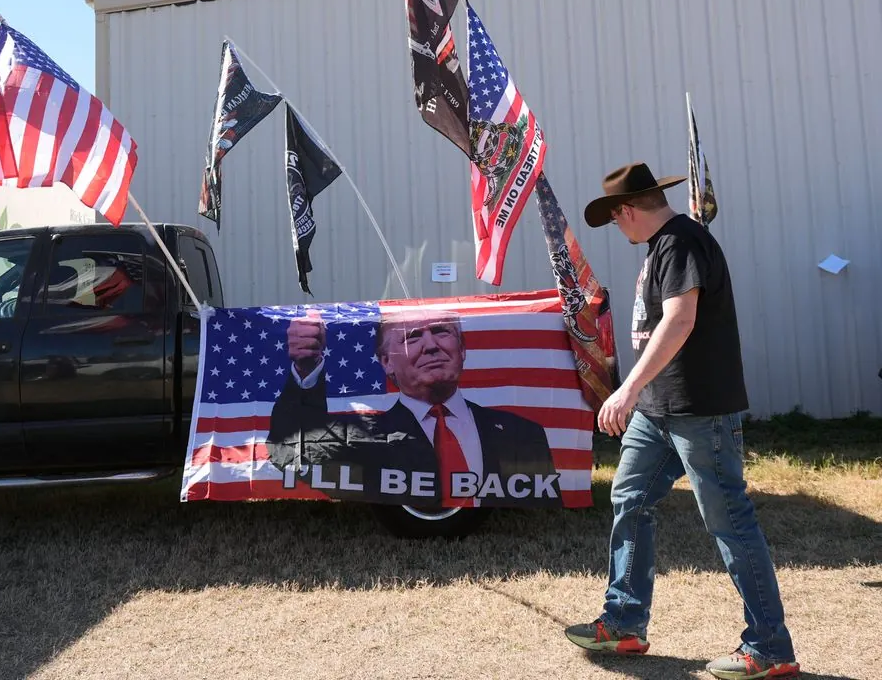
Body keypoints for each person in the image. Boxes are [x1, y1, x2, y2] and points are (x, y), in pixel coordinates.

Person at [564, 163, 799, 680]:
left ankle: (770, 648)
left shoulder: (680, 242)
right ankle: (625, 621)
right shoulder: (666, 245)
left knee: (730, 521)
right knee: (630, 496)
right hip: (660, 408)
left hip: (701, 410)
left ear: (627, 210)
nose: (618, 231)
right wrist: (641, 394)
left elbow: (680, 320)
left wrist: (626, 388)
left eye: (615, 220)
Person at [266, 307, 560, 508]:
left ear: (463, 348)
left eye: (441, 331)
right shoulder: (359, 435)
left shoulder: (523, 433)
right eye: (413, 337)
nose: (431, 346)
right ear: (386, 362)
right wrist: (307, 371)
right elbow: (288, 449)